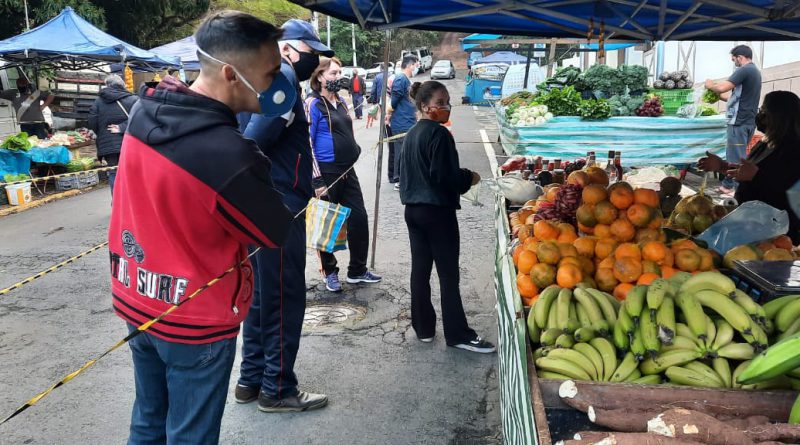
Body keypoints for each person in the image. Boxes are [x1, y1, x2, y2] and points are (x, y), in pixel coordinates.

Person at [109, 11, 294, 444]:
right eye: (270, 73)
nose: (276, 83)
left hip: (139, 297)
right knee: (190, 435)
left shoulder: (144, 109)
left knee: (149, 422)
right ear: (232, 73)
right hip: (193, 319)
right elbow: (273, 232)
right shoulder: (227, 154)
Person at [235, 18, 332, 413]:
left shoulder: (255, 79)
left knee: (260, 298)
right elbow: (254, 140)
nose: (317, 60)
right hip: (279, 207)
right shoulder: (284, 79)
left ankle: (250, 379)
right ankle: (277, 388)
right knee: (283, 297)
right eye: (312, 51)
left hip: (263, 205)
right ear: (289, 49)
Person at [399, 80, 496, 354]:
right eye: (440, 104)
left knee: (420, 269)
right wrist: (469, 177)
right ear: (424, 106)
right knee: (447, 274)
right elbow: (445, 177)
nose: (446, 108)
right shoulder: (438, 135)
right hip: (436, 213)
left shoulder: (411, 134)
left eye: (446, 103)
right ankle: (458, 334)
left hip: (413, 212)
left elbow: (406, 176)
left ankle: (424, 329)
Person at [307, 57, 382, 292]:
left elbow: (348, 131)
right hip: (326, 172)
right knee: (327, 225)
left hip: (347, 171)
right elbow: (306, 143)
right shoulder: (312, 104)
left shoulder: (340, 101)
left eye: (339, 73)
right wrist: (317, 180)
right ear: (319, 76)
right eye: (333, 74)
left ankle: (357, 270)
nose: (338, 77)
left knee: (358, 218)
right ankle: (329, 272)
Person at [698, 90, 800, 242]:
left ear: (778, 117)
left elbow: (789, 190)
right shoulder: (765, 143)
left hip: (778, 234)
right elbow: (746, 171)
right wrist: (721, 166)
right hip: (750, 223)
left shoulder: (794, 149)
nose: (759, 116)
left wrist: (757, 176)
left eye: (764, 111)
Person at [705, 45, 762, 194]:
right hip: (748, 121)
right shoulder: (755, 72)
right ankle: (728, 184)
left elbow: (723, 87)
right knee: (738, 154)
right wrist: (718, 96)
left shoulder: (744, 70)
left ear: (740, 57)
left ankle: (738, 190)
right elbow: (733, 97)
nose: (734, 62)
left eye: (734, 59)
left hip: (739, 121)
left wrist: (711, 85)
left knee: (736, 156)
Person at [88, 74, 138, 197]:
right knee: (132, 173)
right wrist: (122, 127)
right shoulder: (133, 100)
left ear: (107, 85)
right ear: (123, 85)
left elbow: (92, 121)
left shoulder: (99, 101)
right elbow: (139, 119)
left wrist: (102, 132)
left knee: (114, 173)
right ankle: (131, 203)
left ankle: (116, 205)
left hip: (109, 144)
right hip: (130, 141)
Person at [390, 55, 420, 191]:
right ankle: (400, 180)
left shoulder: (405, 79)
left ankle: (403, 178)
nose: (417, 67)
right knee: (402, 152)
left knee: (406, 151)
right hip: (402, 122)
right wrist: (390, 112)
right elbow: (394, 101)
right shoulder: (401, 79)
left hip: (407, 121)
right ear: (410, 65)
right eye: (416, 65)